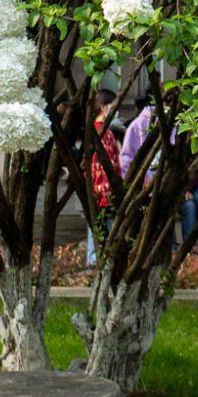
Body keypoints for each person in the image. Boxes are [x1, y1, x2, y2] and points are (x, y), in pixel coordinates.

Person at [84, 89, 122, 266]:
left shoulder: (105, 132)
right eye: (112, 107)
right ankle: (95, 261)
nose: (115, 112)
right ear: (102, 107)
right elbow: (99, 166)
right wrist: (106, 192)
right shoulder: (99, 132)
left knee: (99, 228)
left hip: (104, 190)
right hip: (103, 191)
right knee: (101, 228)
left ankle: (96, 260)